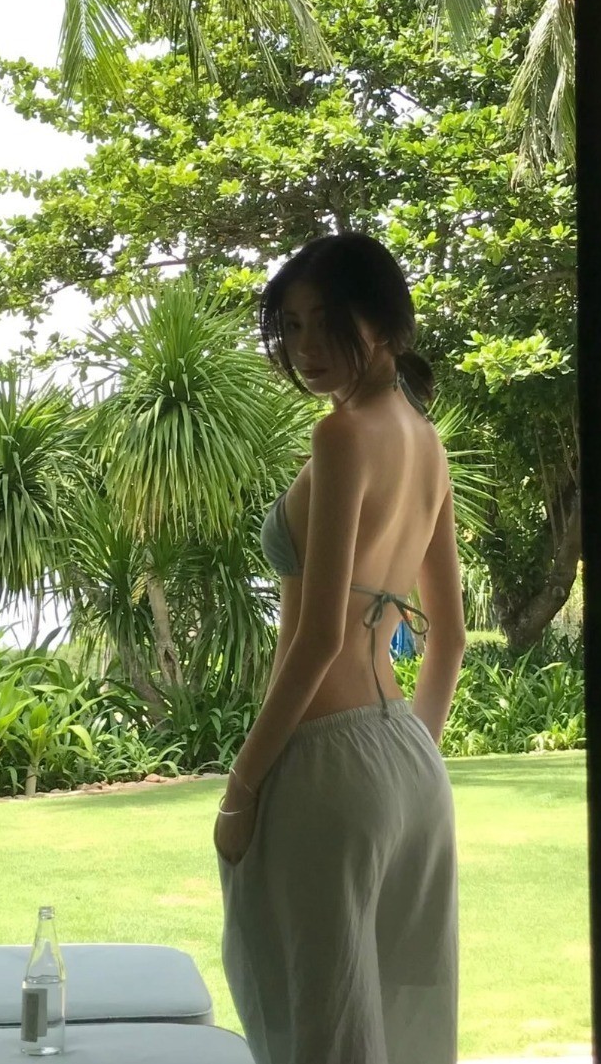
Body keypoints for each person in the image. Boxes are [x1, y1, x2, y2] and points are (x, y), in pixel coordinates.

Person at [213, 231, 466, 1064]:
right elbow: (449, 638)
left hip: (325, 763)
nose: (306, 345)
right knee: (402, 1019)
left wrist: (242, 786)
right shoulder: (427, 444)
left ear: (384, 321)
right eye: (291, 326)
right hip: (410, 762)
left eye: (326, 320)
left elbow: (320, 635)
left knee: (318, 1029)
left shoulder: (342, 436)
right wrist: (406, 761)